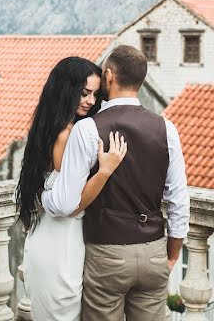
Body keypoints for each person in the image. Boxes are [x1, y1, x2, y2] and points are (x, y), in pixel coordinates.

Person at [42, 44, 189, 321]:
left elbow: (63, 203)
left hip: (106, 252)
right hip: (154, 251)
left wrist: (42, 197)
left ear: (108, 76)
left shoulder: (88, 128)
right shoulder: (167, 128)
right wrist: (171, 255)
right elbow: (179, 199)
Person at [16, 56, 129, 321]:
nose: (91, 101)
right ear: (66, 90)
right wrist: (104, 171)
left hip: (45, 239)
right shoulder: (67, 134)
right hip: (61, 244)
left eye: (95, 94)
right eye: (84, 93)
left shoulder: (49, 128)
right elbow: (71, 205)